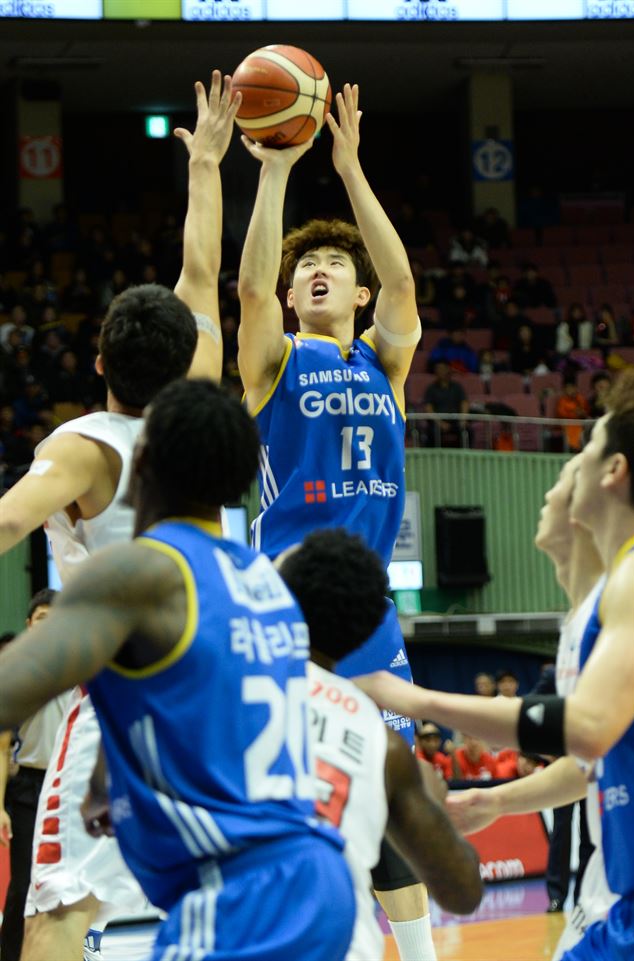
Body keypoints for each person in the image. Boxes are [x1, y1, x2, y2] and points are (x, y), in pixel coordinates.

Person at [0, 72, 238, 961]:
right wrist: (207, 164)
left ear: (96, 355)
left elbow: (7, 524)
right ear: (185, 359)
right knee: (218, 905)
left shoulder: (82, 445)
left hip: (123, 697)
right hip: (222, 691)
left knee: (60, 907)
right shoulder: (202, 412)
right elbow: (202, 274)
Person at [0, 378, 357, 961]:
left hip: (239, 898)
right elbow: (195, 709)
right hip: (314, 880)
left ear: (142, 459)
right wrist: (107, 775)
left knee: (55, 916)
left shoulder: (139, 572)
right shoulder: (268, 584)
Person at [236, 83, 436, 961]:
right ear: (291, 297)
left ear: (359, 297)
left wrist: (350, 168)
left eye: (334, 269)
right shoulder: (273, 362)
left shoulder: (386, 366)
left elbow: (401, 277)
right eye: (302, 272)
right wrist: (277, 169)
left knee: (392, 799)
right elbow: (245, 287)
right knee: (285, 803)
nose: (316, 273)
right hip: (280, 607)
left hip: (367, 611)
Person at [357, 370, 634, 959]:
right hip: (612, 895)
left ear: (613, 472)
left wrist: (414, 699)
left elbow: (584, 726)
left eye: (582, 453)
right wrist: (499, 801)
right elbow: (593, 758)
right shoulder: (596, 604)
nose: (559, 478)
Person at [276, 529, 483, 960]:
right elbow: (464, 892)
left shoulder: (220, 698)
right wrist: (430, 808)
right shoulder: (378, 744)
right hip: (336, 941)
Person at [0, 590, 72, 961]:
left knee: (74, 883)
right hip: (29, 786)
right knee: (25, 881)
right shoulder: (14, 672)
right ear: (29, 625)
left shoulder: (82, 666)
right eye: (40, 618)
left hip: (70, 785)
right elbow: (2, 744)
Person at [423, 360, 469, 448]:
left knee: (468, 431)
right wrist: (440, 423)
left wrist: (463, 419)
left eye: (443, 369)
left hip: (455, 420)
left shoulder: (457, 387)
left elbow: (464, 403)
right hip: (438, 422)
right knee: (431, 433)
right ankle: (435, 457)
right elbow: (428, 408)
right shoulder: (431, 389)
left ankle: (464, 456)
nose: (440, 371)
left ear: (448, 370)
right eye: (438, 369)